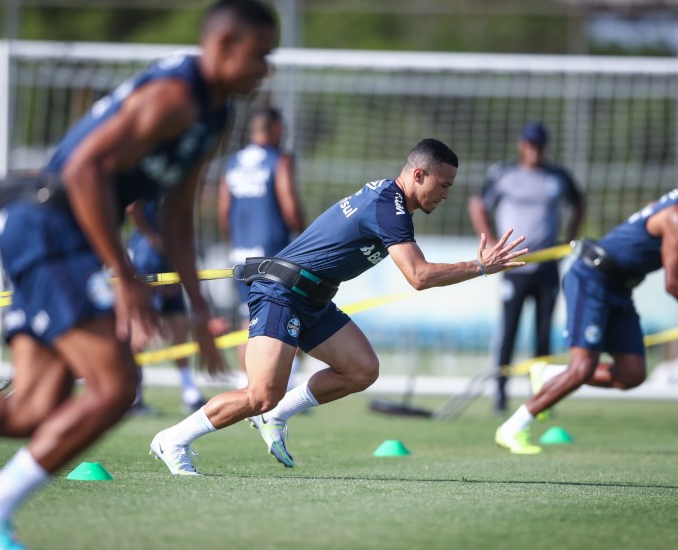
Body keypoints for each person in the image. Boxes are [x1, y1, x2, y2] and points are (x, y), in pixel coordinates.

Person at [0, 1, 276, 547]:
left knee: (31, 409)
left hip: (57, 232)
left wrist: (201, 309)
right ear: (222, 47)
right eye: (259, 56)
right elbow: (82, 169)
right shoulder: (175, 96)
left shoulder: (215, 115)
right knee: (116, 386)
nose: (265, 70)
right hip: (49, 224)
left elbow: (176, 215)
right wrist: (123, 275)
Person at [150, 138, 528, 475]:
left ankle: (277, 415)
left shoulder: (391, 201)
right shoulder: (389, 206)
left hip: (313, 298)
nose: (446, 195)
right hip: (281, 292)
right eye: (442, 185)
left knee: (362, 369)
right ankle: (174, 439)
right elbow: (419, 276)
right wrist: (480, 267)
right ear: (418, 174)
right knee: (260, 393)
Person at [495, 160, 678, 455]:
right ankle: (513, 427)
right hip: (591, 278)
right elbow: (674, 285)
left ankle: (551, 375)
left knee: (632, 373)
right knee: (583, 368)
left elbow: (652, 210)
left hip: (619, 287)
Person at [468, 121, 584, 413]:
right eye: (530, 144)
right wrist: (491, 241)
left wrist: (568, 240)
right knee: (509, 333)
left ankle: (542, 398)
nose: (534, 150)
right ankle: (500, 394)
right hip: (513, 267)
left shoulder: (557, 177)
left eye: (539, 145)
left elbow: (579, 204)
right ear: (522, 145)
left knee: (543, 335)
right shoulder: (505, 174)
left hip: (546, 267)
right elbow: (477, 204)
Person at [218, 107, 305, 385]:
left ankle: (247, 386)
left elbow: (223, 211)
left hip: (241, 253)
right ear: (276, 128)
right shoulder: (279, 160)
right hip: (274, 253)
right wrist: (306, 235)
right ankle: (284, 385)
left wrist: (234, 243)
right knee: (293, 312)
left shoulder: (233, 162)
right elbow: (289, 204)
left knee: (249, 319)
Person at [126, 197, 216, 415]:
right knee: (140, 335)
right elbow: (132, 208)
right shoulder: (151, 181)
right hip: (147, 265)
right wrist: (151, 237)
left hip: (169, 265)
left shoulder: (178, 186)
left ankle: (190, 393)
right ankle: (133, 398)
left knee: (180, 329)